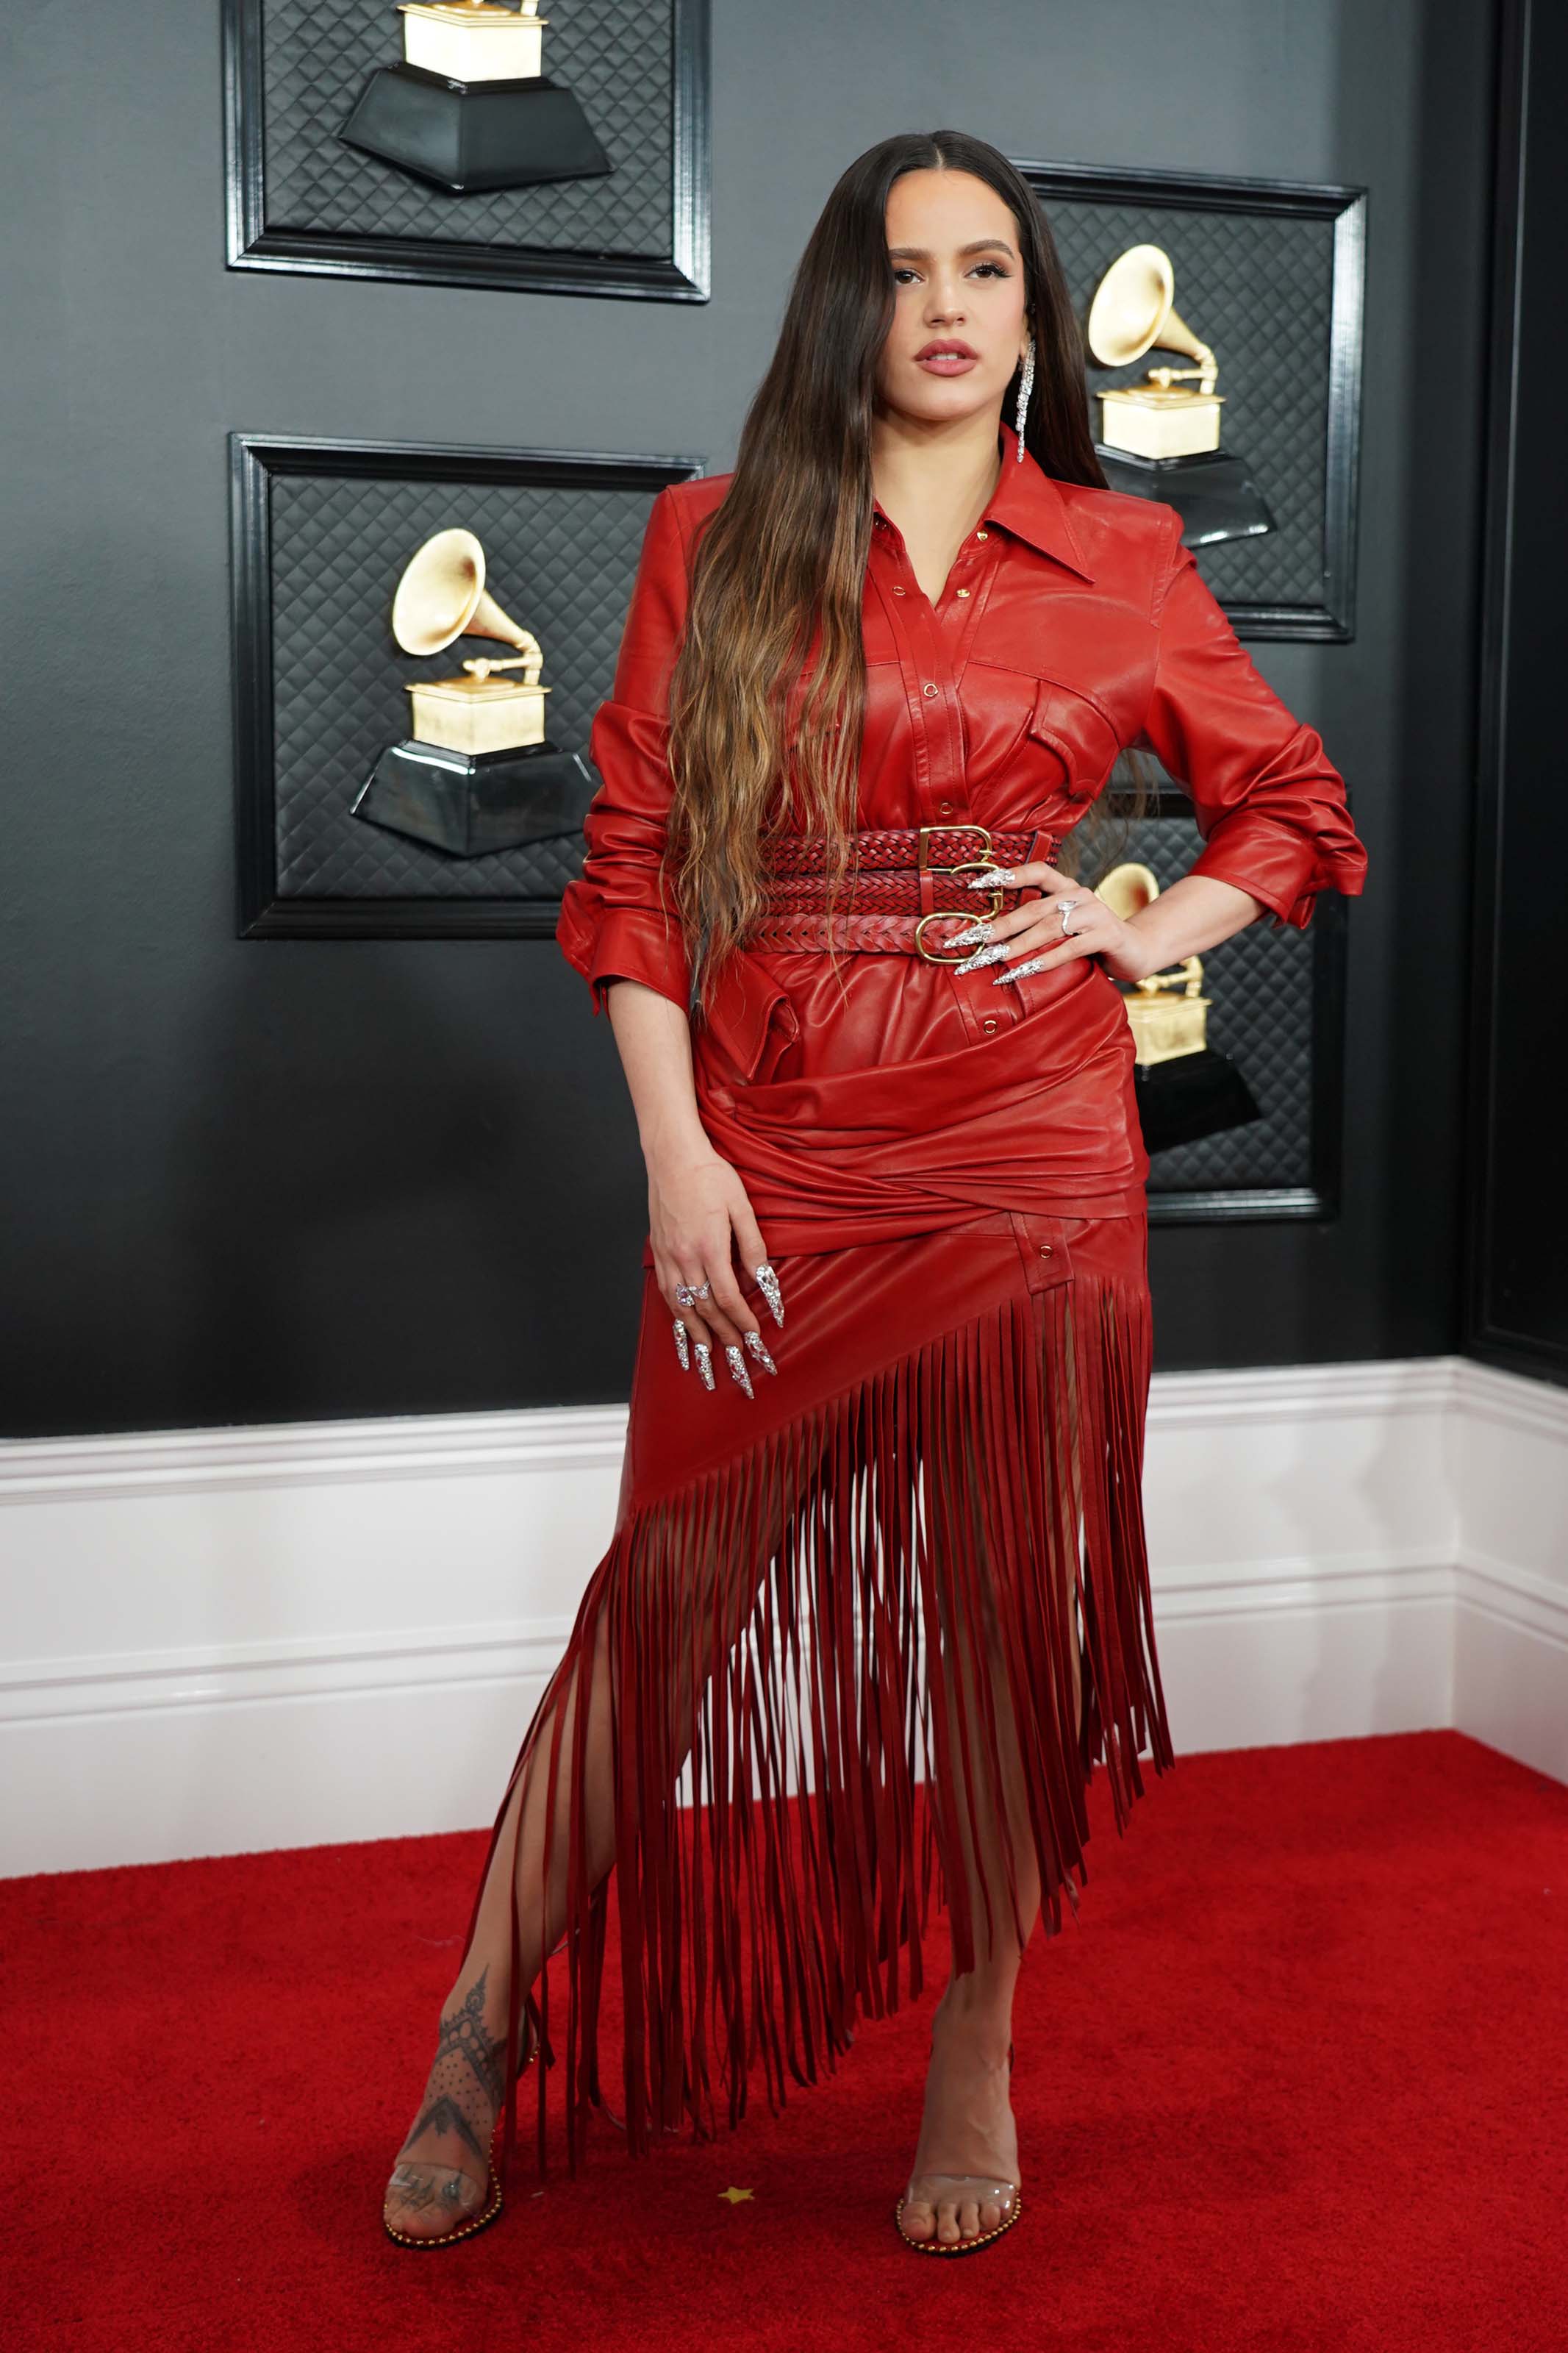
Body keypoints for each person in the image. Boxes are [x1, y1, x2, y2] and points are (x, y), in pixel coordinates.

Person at [382, 128, 1368, 2257]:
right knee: (661, 1607)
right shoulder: (712, 538)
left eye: (989, 269)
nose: (946, 302)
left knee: (1010, 1629)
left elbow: (1291, 803)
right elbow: (633, 872)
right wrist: (676, 1154)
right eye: (905, 265)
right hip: (774, 1136)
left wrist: (1139, 927)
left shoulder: (1123, 548)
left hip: (1031, 1147)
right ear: (849, 301)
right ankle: (480, 2024)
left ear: (1031, 312)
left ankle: (977, 2042)